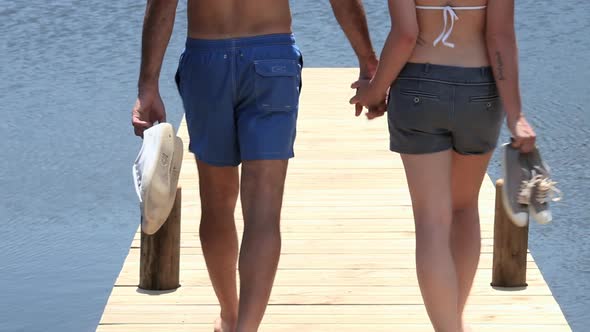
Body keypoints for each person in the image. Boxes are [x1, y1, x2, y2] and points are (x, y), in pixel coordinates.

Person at [336, 1, 536, 331]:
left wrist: (375, 90)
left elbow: (406, 35)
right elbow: (499, 35)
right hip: (480, 90)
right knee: (463, 208)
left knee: (432, 220)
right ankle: (452, 322)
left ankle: (449, 327)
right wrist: (517, 116)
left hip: (419, 88)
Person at [131, 1, 302, 331]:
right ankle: (245, 327)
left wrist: (147, 85)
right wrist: (368, 62)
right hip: (271, 53)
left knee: (216, 203)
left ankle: (230, 315)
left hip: (207, 57)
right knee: (264, 211)